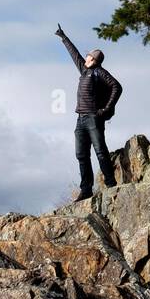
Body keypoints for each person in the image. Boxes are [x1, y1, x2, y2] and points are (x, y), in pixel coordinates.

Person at [55, 24, 123, 201]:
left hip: (94, 118)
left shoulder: (100, 72)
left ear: (93, 59)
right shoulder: (84, 70)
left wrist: (106, 109)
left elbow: (117, 87)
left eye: (88, 56)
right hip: (80, 119)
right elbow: (74, 54)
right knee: (81, 154)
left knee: (100, 151)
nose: (85, 57)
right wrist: (64, 37)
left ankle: (110, 185)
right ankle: (86, 190)